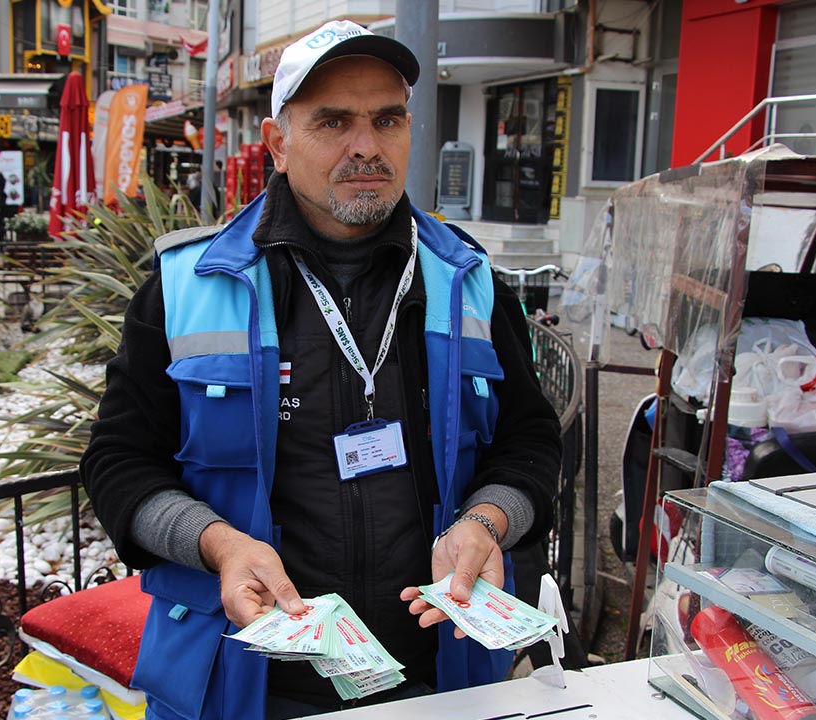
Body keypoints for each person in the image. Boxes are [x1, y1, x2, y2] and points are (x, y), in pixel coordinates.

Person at [81, 18, 562, 720]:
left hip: (441, 677)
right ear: (277, 144)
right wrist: (219, 547)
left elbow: (531, 442)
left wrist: (487, 522)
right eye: (333, 121)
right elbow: (120, 464)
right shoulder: (188, 283)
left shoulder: (469, 279)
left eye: (387, 119)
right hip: (243, 684)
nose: (365, 145)